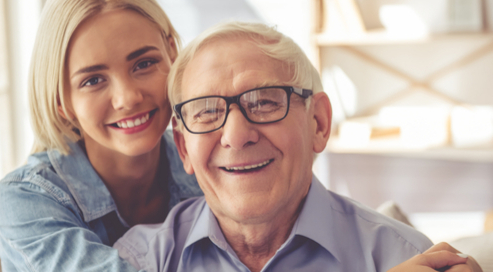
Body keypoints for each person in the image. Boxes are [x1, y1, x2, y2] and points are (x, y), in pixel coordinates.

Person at [113, 21, 483, 272]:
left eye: (265, 102)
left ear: (318, 124)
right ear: (182, 147)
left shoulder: (404, 255)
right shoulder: (140, 261)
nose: (236, 135)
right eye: (207, 112)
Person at [0, 0, 203, 271]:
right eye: (93, 80)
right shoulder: (23, 200)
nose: (128, 98)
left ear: (172, 54)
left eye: (144, 63)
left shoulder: (210, 165)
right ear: (60, 102)